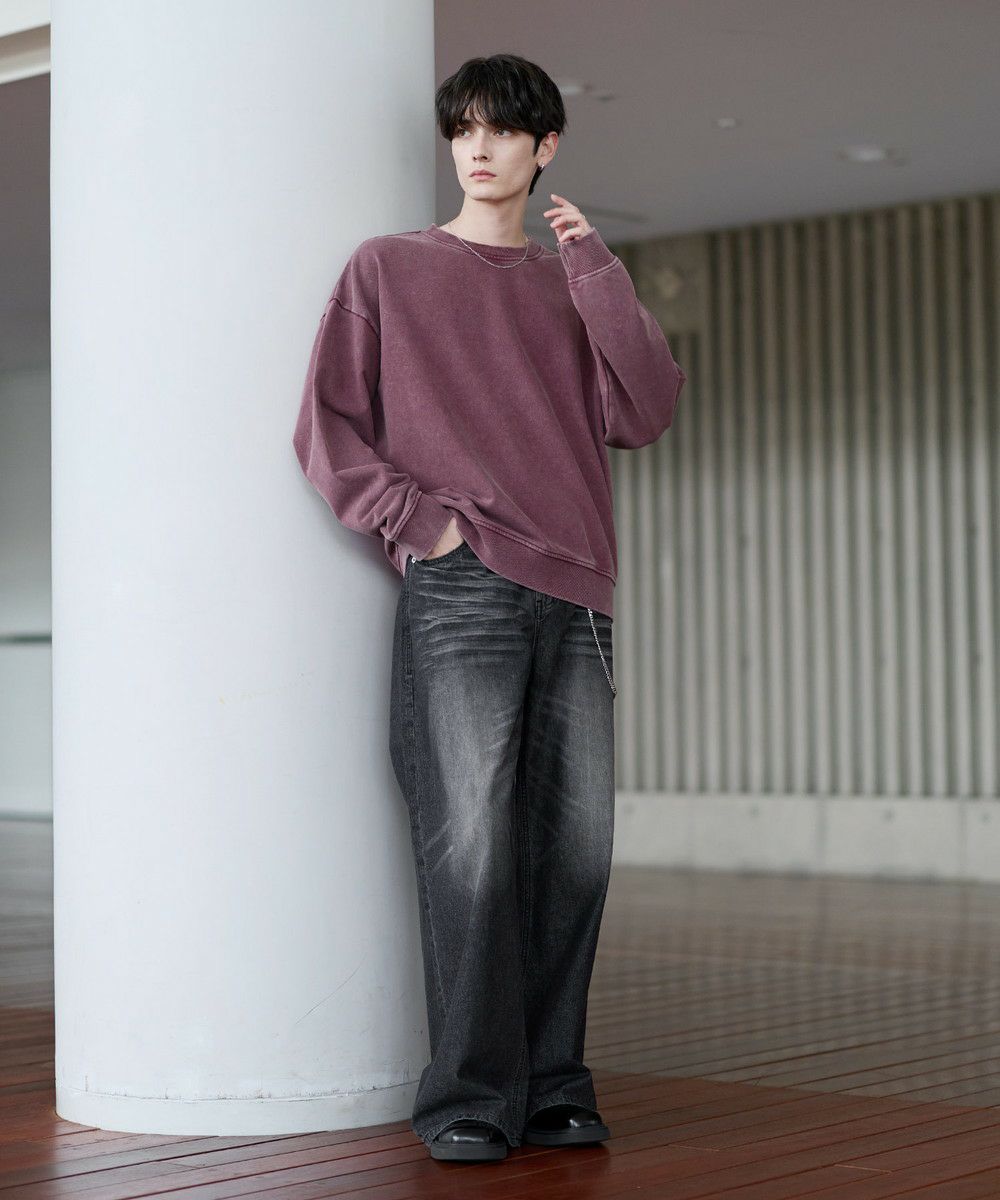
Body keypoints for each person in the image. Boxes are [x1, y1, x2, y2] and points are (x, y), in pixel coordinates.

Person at [292, 53, 686, 1163]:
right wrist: (422, 526)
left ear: (544, 145)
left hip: (580, 597)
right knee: (469, 850)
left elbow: (646, 410)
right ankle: (469, 1096)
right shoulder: (388, 268)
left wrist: (597, 268)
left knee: (575, 855)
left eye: (503, 130)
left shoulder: (573, 282)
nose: (478, 147)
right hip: (464, 586)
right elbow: (326, 425)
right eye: (462, 128)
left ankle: (555, 1085)